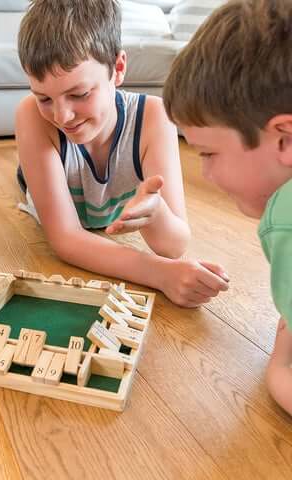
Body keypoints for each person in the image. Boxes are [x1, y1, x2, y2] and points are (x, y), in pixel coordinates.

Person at [15, 0, 229, 307]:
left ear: (118, 68)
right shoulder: (32, 116)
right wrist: (160, 275)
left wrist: (156, 214)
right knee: (30, 173)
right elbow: (65, 239)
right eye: (44, 98)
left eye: (79, 94)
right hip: (54, 171)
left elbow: (173, 245)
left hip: (94, 185)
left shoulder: (154, 116)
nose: (62, 116)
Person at [162, 0, 292, 415]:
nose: (205, 174)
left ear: (284, 139)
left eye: (206, 154)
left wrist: (281, 372)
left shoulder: (285, 220)